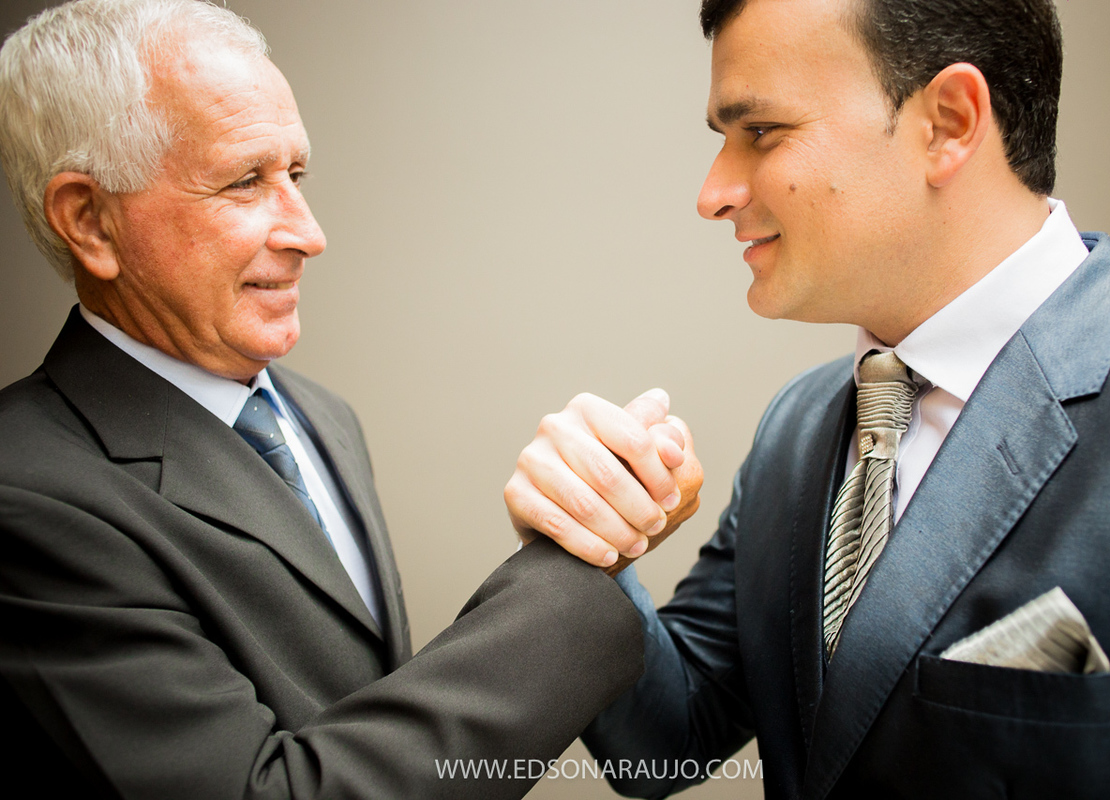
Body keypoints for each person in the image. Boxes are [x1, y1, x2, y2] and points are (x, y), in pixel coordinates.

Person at [0, 1, 700, 797]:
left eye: (294, 175)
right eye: (244, 181)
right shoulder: (25, 499)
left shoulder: (323, 419)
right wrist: (583, 563)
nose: (308, 231)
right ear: (88, 220)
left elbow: (373, 720)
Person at [506, 0, 1110, 796]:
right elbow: (668, 738)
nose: (713, 193)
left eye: (761, 132)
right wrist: (586, 535)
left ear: (947, 122)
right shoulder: (798, 428)